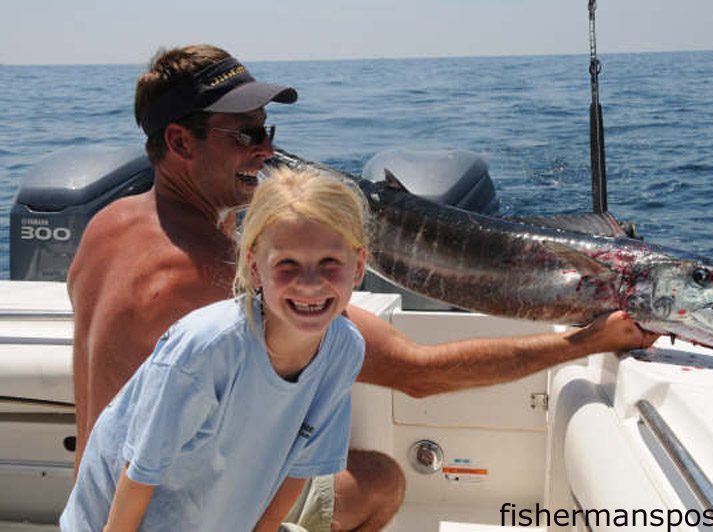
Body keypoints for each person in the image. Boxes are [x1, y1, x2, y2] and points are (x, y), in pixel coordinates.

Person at [68, 44, 659, 531]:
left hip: (96, 494)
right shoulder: (216, 280)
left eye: (265, 130)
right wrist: (583, 343)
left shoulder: (106, 227)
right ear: (178, 143)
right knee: (380, 481)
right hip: (147, 512)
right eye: (245, 136)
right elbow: (419, 372)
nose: (267, 150)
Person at [62, 166, 369, 531]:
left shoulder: (344, 351)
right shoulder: (207, 348)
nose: (309, 284)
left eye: (329, 263)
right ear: (254, 268)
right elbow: (137, 476)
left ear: (359, 266)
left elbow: (300, 467)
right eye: (287, 264)